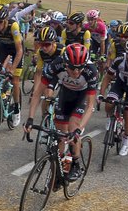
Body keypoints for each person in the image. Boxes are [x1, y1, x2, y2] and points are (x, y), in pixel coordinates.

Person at [24, 43, 99, 182]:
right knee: (60, 134)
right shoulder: (56, 65)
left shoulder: (91, 71)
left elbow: (90, 106)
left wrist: (78, 129)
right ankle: (62, 161)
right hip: (66, 94)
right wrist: (30, 119)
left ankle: (76, 163)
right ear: (65, 63)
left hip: (81, 96)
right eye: (72, 68)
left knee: (72, 126)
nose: (76, 72)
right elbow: (37, 93)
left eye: (79, 68)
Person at [0, 4, 25, 126]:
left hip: (16, 49)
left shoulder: (13, 25)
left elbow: (19, 51)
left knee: (15, 80)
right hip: (3, 47)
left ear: (5, 20)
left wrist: (12, 69)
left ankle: (16, 108)